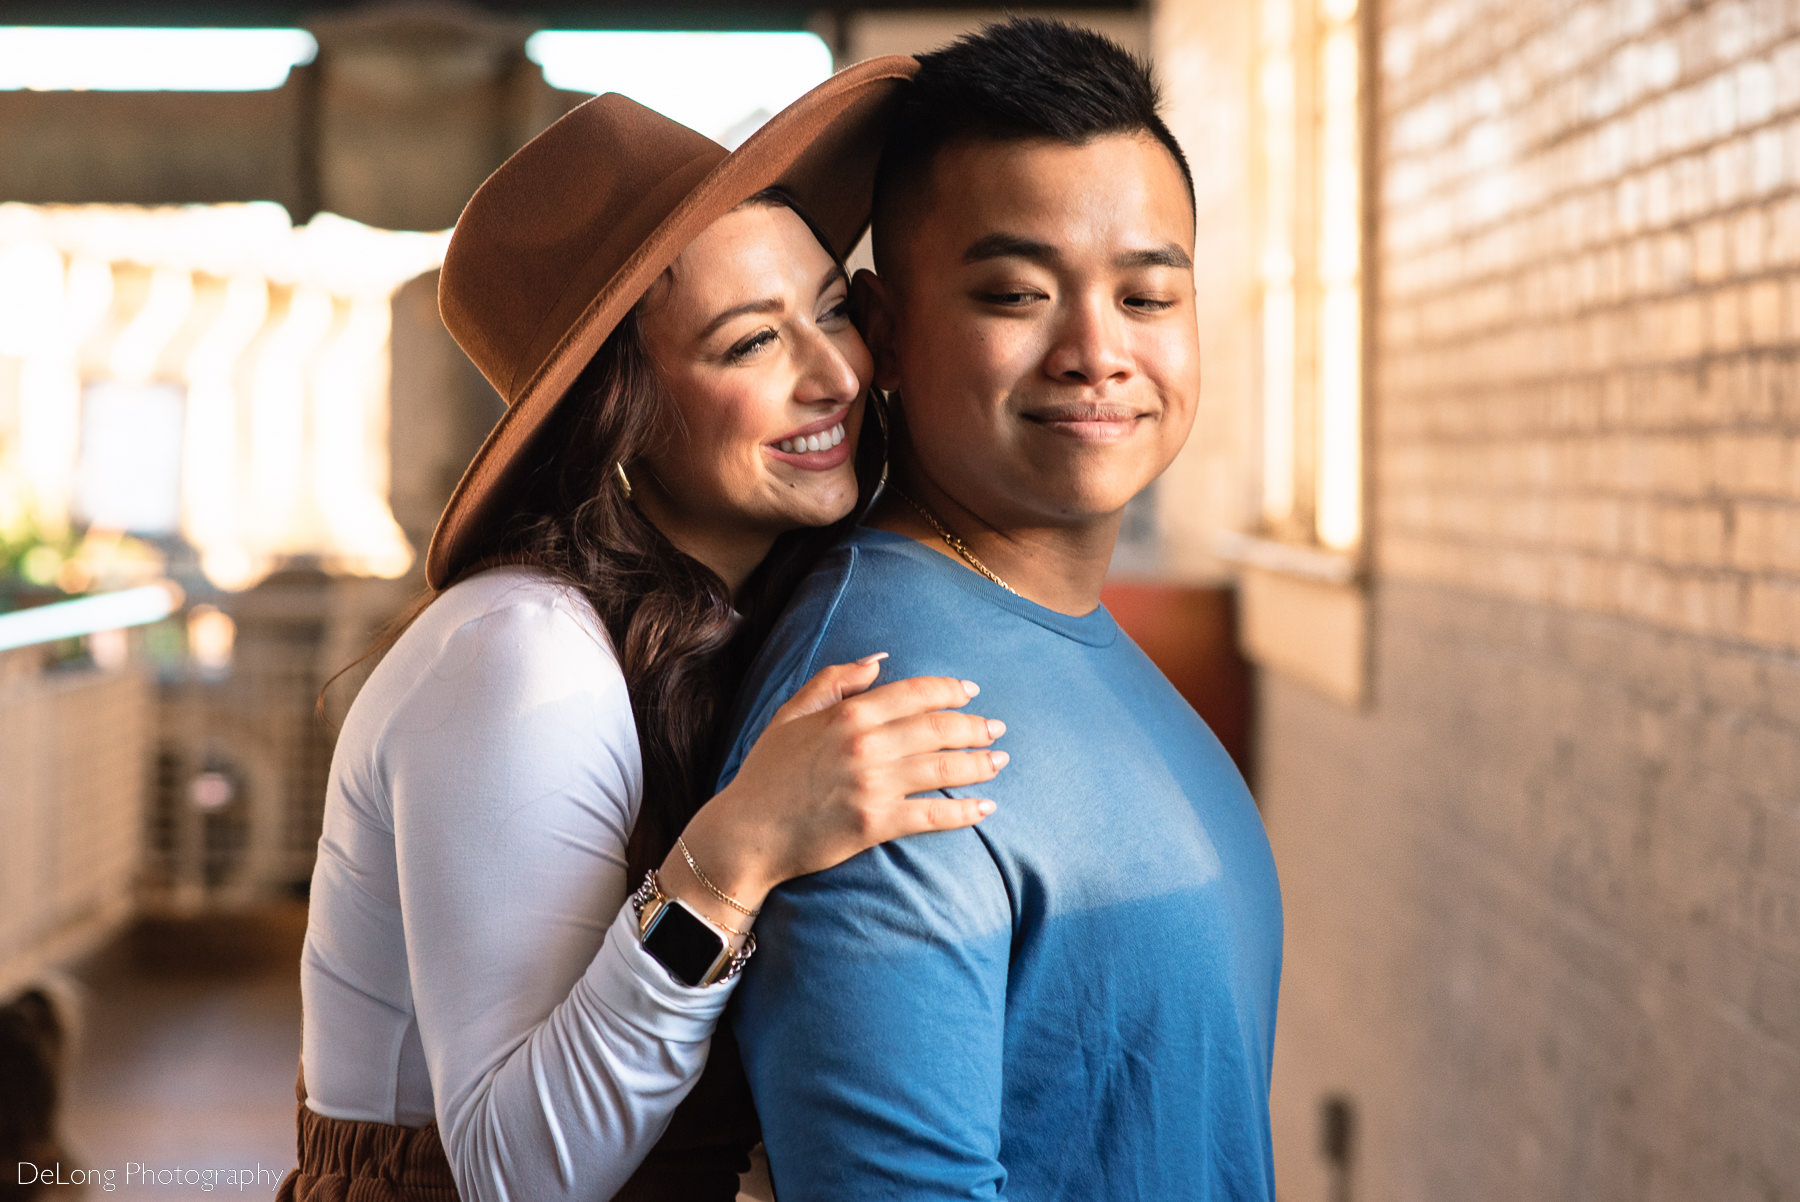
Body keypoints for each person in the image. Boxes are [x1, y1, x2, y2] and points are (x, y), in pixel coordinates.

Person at [283, 57, 1011, 1202]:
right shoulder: (522, 651)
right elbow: (516, 1172)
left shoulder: (742, 615)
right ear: (620, 412)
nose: (833, 374)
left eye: (828, 309)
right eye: (749, 343)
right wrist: (735, 856)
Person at [720, 19, 1284, 1201]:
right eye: (1016, 293)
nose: (1096, 351)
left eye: (1145, 293)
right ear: (882, 332)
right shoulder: (881, 721)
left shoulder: (1065, 625)